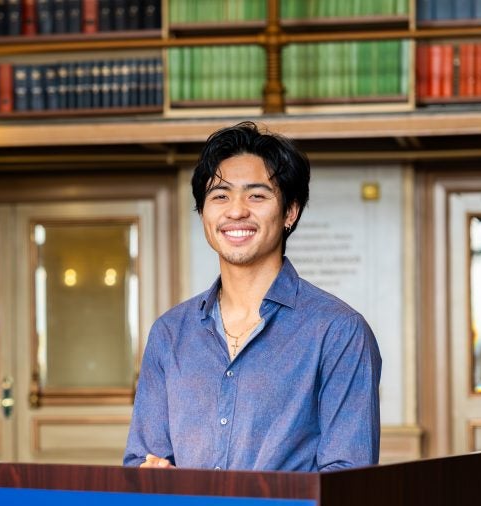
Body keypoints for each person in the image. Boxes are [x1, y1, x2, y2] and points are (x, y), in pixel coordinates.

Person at [123, 121, 381, 472]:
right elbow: (143, 460)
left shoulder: (339, 331)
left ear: (290, 211)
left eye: (256, 195)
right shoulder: (170, 333)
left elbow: (347, 480)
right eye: (220, 195)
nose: (236, 210)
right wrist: (150, 475)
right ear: (204, 213)